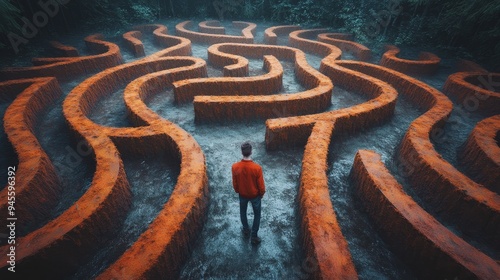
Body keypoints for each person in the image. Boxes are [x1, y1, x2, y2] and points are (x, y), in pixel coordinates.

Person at [232, 142, 266, 244]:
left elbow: (235, 183)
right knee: (257, 215)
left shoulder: (235, 167)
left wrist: (238, 191)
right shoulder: (257, 168)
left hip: (242, 194)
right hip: (255, 196)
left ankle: (246, 229)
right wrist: (261, 194)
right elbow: (261, 186)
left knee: (243, 212)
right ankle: (254, 236)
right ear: (251, 152)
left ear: (242, 152)